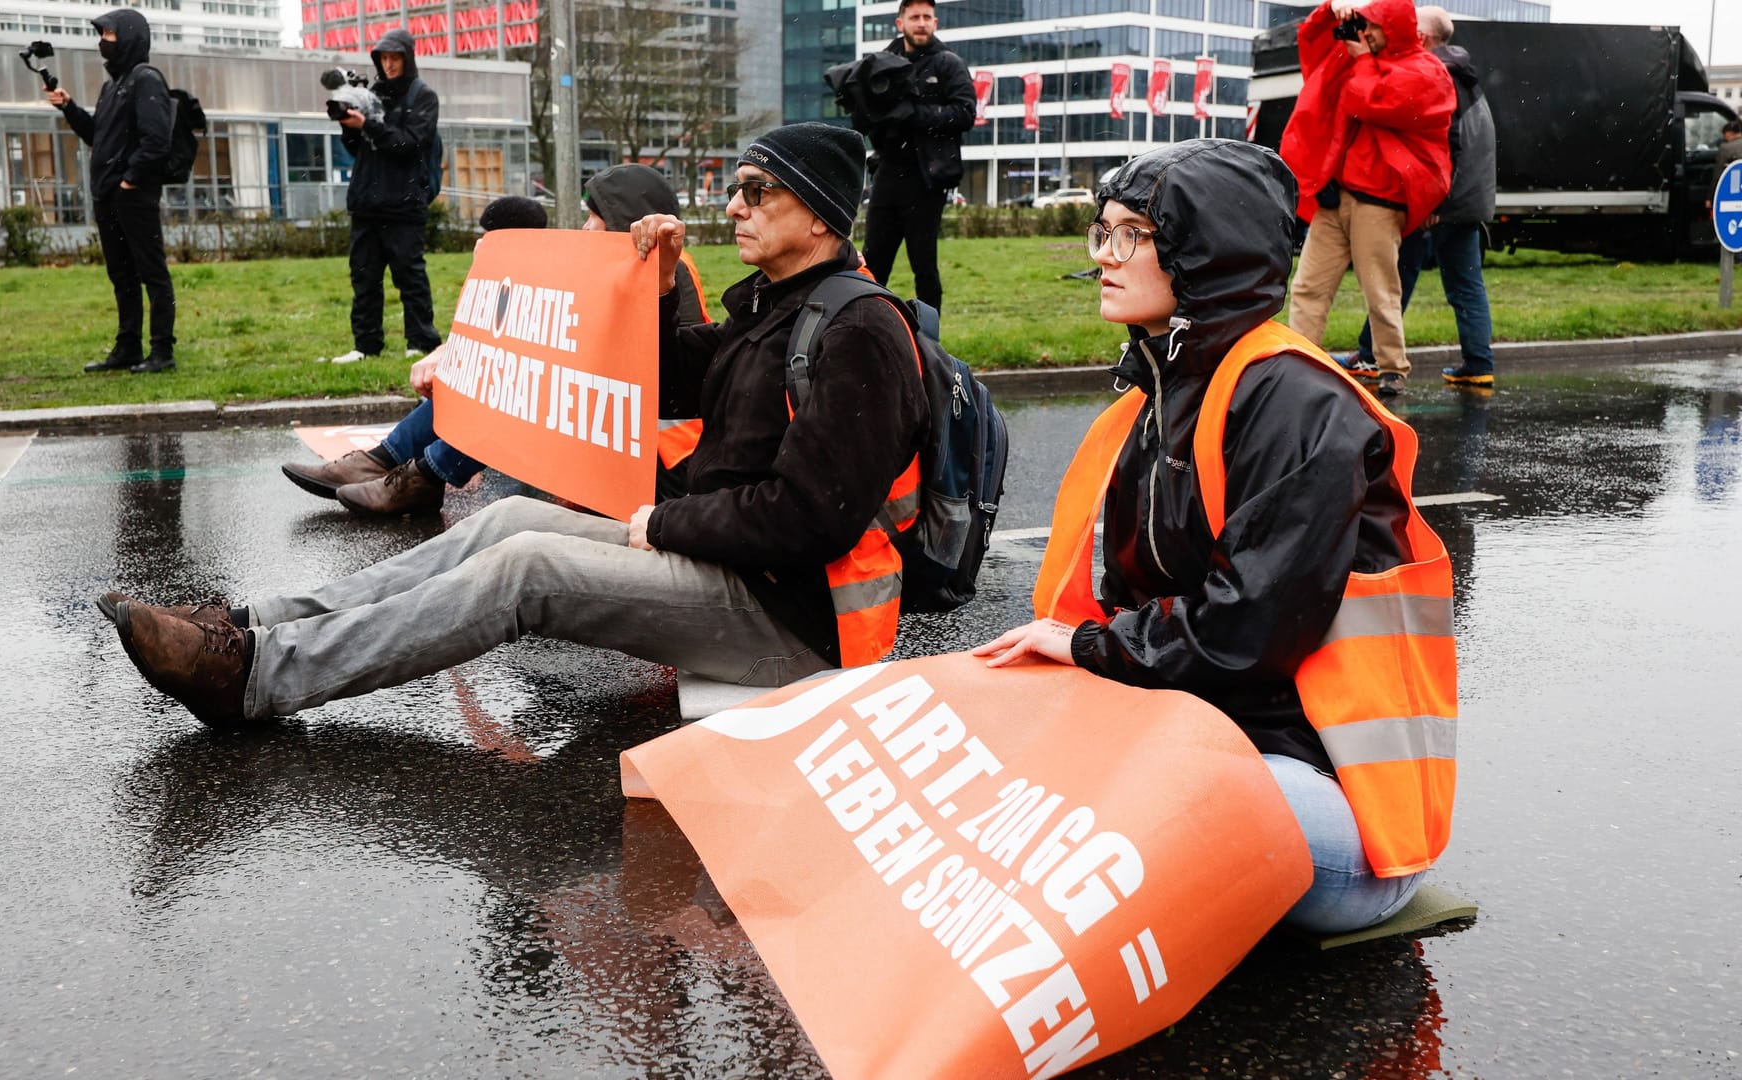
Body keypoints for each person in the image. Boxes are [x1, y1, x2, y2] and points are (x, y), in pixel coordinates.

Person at [99, 122, 927, 729]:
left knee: (525, 566)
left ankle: (251, 678)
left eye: (757, 191)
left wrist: (661, 522)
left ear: (818, 215)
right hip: (736, 569)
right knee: (506, 518)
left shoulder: (859, 333)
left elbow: (807, 518)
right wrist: (663, 278)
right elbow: (659, 375)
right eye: (736, 188)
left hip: (797, 623)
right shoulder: (779, 310)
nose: (734, 205)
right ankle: (257, 621)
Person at [973, 139, 1457, 934]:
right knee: (985, 721)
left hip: (1340, 809)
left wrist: (1091, 652)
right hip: (1210, 740)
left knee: (1105, 815)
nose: (1104, 254)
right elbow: (1135, 614)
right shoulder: (1158, 398)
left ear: (1207, 256)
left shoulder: (1297, 401)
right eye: (1102, 230)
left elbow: (1247, 631)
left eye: (1134, 233)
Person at [283, 167, 713, 516]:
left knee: (519, 386)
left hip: (659, 460)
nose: (584, 226)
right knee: (498, 371)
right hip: (626, 439)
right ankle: (386, 460)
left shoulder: (664, 269)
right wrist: (453, 355)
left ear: (622, 218)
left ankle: (421, 476)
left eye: (592, 216)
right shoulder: (622, 268)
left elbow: (621, 363)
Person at [1280, 0, 1453, 397]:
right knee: (1309, 286)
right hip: (1336, 197)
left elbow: (1369, 101)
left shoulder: (1427, 72)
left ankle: (1393, 367)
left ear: (1395, 29)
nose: (1366, 33)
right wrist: (1330, 11)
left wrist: (1361, 60)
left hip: (1379, 202)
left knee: (1380, 290)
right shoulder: (1365, 56)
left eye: (1373, 26)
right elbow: (1311, 43)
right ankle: (1297, 362)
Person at [1339, 7, 1497, 388]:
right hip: (1467, 201)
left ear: (1421, 38)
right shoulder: (1465, 74)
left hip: (1438, 203)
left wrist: (1433, 204)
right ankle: (1478, 364)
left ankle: (1371, 357)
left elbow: (1447, 148)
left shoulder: (1433, 74)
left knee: (1395, 278)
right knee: (1465, 284)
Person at [48, 8, 178, 374]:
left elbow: (157, 141)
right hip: (107, 195)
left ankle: (162, 351)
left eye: (109, 35)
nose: (102, 42)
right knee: (121, 275)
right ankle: (128, 348)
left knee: (152, 272)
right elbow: (97, 136)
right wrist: (69, 107)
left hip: (133, 195)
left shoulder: (146, 79)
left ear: (130, 37)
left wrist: (129, 181)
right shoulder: (113, 86)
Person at [321, 28, 444, 367]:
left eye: (395, 58)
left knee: (410, 276)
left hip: (404, 204)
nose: (389, 65)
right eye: (384, 59)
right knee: (364, 276)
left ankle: (421, 342)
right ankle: (366, 345)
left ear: (407, 58)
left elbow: (409, 144)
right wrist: (350, 125)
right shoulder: (369, 93)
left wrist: (371, 126)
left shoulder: (423, 97)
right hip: (366, 203)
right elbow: (355, 150)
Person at [853, 0, 975, 314]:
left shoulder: (948, 63)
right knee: (873, 261)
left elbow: (965, 113)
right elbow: (866, 114)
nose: (921, 23)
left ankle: (928, 341)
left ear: (935, 22)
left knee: (924, 265)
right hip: (888, 173)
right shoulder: (880, 65)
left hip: (927, 178)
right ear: (900, 22)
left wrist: (914, 114)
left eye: (926, 17)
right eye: (914, 17)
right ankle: (867, 328)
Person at [1709, 119, 1742, 213]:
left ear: (1728, 133)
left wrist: (1710, 197)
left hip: (1733, 188)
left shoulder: (1726, 148)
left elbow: (1718, 174)